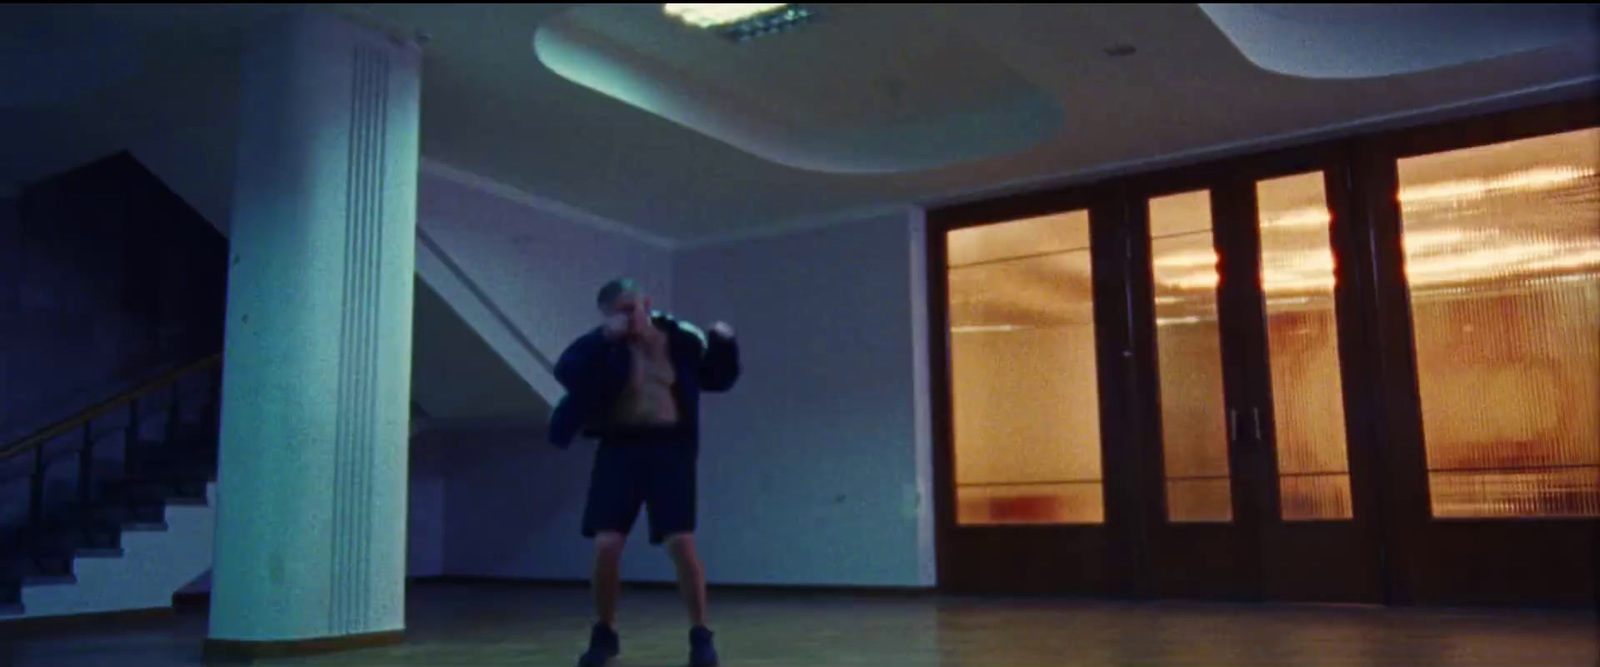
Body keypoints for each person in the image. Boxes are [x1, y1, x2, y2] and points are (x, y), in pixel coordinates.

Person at [548, 278, 740, 667]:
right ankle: (604, 635)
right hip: (619, 449)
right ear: (608, 316)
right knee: (606, 545)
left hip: (670, 449)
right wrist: (603, 337)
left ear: (646, 303)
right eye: (618, 313)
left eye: (631, 308)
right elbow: (566, 371)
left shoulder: (680, 338)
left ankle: (701, 636)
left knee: (681, 545)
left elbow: (719, 378)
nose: (628, 318)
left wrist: (724, 342)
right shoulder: (603, 346)